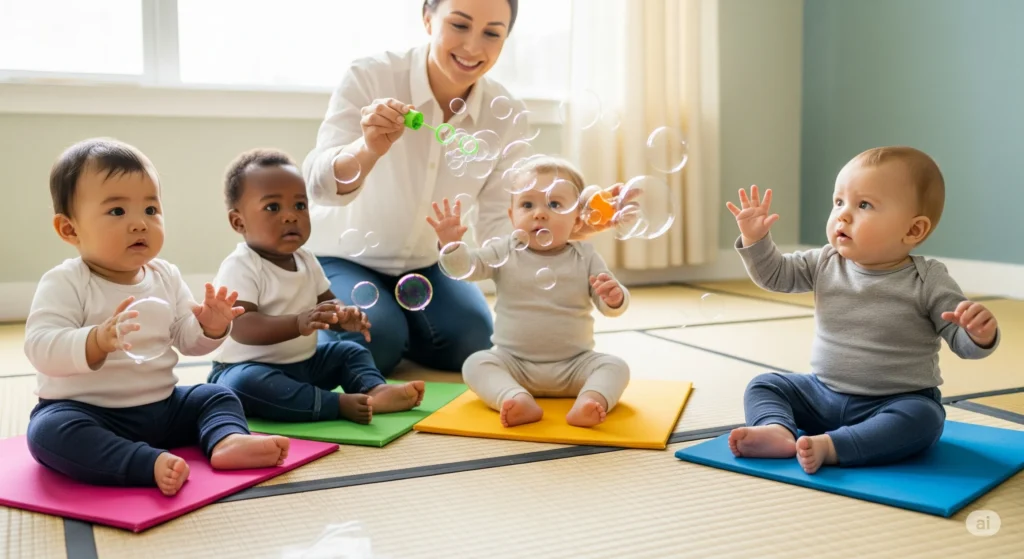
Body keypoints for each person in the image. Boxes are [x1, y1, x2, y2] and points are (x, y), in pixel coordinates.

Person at [302, 0, 621, 375]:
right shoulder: (371, 76)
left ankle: (394, 323)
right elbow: (319, 186)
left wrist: (556, 232)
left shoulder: (505, 113)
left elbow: (499, 226)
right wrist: (367, 148)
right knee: (376, 346)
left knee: (472, 341)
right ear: (427, 19)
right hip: (342, 258)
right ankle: (349, 317)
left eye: (491, 33)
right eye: (459, 25)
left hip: (431, 264)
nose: (472, 46)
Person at [24, 138, 289, 497]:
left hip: (162, 408)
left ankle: (227, 440)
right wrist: (96, 340)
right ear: (70, 229)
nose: (140, 224)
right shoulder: (66, 281)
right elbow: (39, 347)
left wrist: (211, 325)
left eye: (150, 210)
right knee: (48, 433)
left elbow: (188, 340)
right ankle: (142, 462)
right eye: (117, 212)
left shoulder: (165, 275)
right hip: (88, 411)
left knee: (214, 394)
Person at [725, 146, 1000, 474]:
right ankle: (777, 430)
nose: (842, 214)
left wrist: (979, 335)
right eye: (838, 201)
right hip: (822, 393)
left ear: (913, 230)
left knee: (924, 420)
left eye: (863, 205)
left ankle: (832, 446)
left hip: (895, 402)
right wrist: (756, 239)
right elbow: (776, 275)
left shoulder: (928, 279)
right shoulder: (826, 261)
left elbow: (960, 339)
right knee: (764, 385)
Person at [207, 149, 425, 425]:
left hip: (305, 364)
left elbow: (328, 305)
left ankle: (373, 389)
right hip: (246, 368)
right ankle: (335, 404)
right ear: (239, 222)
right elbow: (242, 326)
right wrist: (298, 322)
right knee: (245, 384)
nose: (290, 216)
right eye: (273, 207)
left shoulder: (306, 259)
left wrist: (343, 317)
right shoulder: (241, 266)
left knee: (349, 352)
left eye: (300, 206)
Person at [430, 156, 631, 428]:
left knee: (616, 367)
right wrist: (452, 245)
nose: (539, 213)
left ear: (577, 219)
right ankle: (514, 397)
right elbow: (467, 268)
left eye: (555, 204)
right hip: (514, 364)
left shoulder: (585, 255)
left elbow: (608, 303)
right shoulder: (506, 249)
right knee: (476, 363)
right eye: (527, 204)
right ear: (512, 216)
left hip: (575, 365)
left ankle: (590, 400)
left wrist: (614, 297)